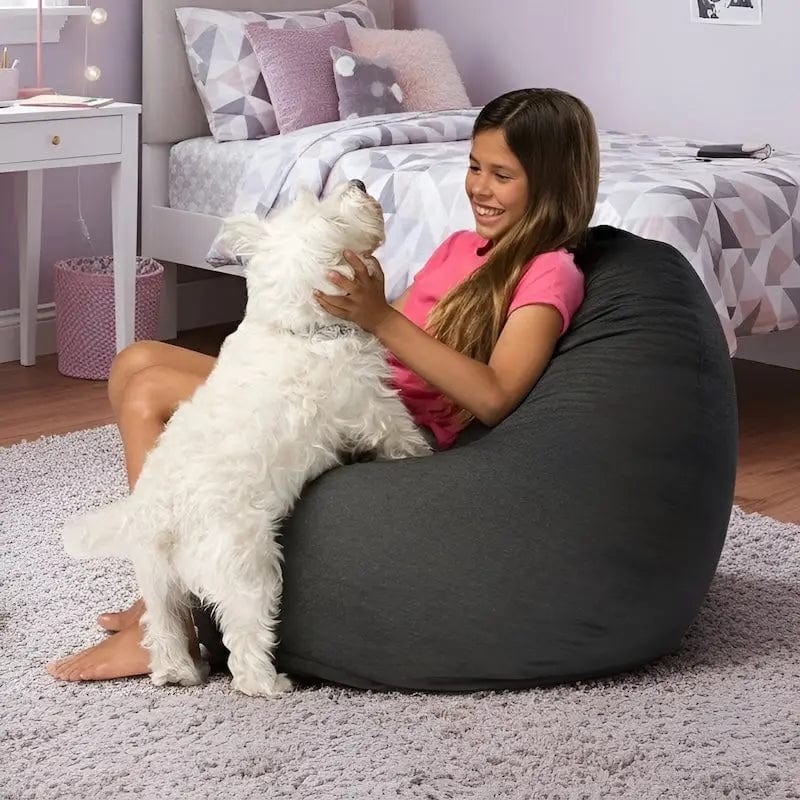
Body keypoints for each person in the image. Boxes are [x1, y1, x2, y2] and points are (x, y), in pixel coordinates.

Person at [47, 87, 600, 682]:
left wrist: (379, 316)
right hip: (344, 384)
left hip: (381, 420)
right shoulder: (463, 246)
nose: (479, 188)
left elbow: (494, 395)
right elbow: (388, 330)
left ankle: (165, 625)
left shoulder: (549, 273)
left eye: (502, 175)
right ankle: (161, 581)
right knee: (136, 361)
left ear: (552, 181)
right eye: (473, 167)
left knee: (146, 392)